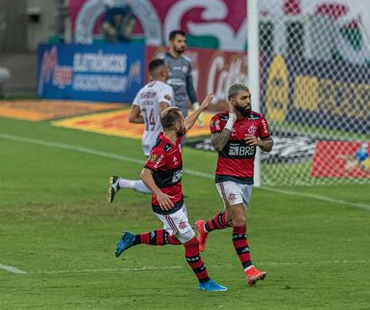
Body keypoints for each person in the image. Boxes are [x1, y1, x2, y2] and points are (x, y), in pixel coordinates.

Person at [115, 96, 227, 292]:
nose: (185, 122)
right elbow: (145, 173)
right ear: (176, 125)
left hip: (177, 199)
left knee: (176, 237)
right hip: (167, 206)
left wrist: (201, 108)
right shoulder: (162, 149)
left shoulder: (175, 136)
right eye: (182, 120)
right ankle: (205, 282)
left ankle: (132, 239)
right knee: (191, 243)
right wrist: (158, 193)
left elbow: (189, 124)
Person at [195, 83, 274, 285]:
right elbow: (218, 145)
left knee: (231, 220)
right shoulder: (219, 120)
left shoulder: (258, 119)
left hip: (246, 180)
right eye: (243, 98)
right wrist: (231, 120)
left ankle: (204, 227)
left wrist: (259, 143)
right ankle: (249, 270)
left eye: (249, 97)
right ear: (232, 101)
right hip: (226, 177)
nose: (248, 101)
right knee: (240, 221)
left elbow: (269, 145)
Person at [107, 59, 173, 203]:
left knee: (156, 182)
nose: (168, 71)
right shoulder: (165, 88)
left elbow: (132, 117)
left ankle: (120, 183)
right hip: (162, 141)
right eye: (167, 69)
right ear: (162, 72)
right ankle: (176, 218)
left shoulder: (142, 91)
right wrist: (175, 123)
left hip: (148, 140)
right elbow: (164, 111)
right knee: (166, 182)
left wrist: (152, 119)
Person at [159, 30, 203, 127]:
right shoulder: (161, 61)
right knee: (165, 140)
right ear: (171, 42)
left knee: (181, 141)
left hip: (182, 109)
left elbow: (190, 87)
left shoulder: (187, 62)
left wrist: (197, 108)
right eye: (179, 41)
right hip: (166, 107)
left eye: (184, 41)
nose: (183, 44)